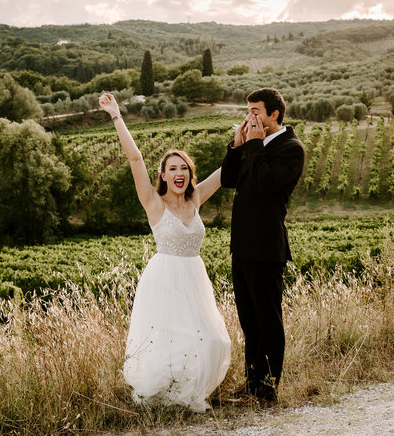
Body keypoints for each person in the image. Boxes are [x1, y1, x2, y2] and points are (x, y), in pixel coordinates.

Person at [99, 93, 231, 412]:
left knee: (212, 339)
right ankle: (167, 399)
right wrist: (116, 116)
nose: (178, 172)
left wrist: (242, 139)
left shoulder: (195, 199)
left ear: (189, 174)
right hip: (164, 279)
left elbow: (226, 172)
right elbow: (135, 159)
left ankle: (188, 393)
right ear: (163, 175)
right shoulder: (153, 203)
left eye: (183, 167)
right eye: (172, 168)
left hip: (194, 279)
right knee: (170, 340)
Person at [221, 87, 305, 404]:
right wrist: (237, 146)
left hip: (266, 247)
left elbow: (265, 183)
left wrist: (254, 145)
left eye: (256, 111)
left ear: (275, 114)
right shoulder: (253, 144)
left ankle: (267, 389)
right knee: (249, 321)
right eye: (248, 110)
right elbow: (230, 180)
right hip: (241, 246)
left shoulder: (291, 148)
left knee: (268, 321)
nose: (250, 116)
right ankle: (252, 382)